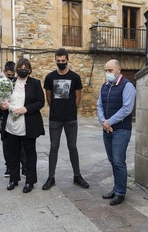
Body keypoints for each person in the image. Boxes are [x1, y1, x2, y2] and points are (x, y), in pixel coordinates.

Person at [42, 48, 89, 190]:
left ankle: (77, 176)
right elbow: (48, 97)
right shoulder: (50, 77)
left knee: (72, 147)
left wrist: (70, 110)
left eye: (63, 61)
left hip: (71, 119)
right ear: (55, 60)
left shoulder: (75, 77)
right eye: (58, 61)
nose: (61, 63)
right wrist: (56, 109)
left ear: (67, 60)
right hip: (55, 118)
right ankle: (51, 177)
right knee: (54, 147)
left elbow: (78, 97)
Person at [0, 58, 45, 193]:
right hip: (11, 124)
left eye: (25, 67)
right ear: (16, 69)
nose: (22, 70)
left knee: (30, 153)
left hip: (28, 123)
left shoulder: (35, 83)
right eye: (20, 67)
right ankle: (13, 179)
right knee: (13, 152)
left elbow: (40, 102)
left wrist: (26, 109)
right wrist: (2, 106)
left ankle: (30, 181)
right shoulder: (9, 84)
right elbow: (2, 101)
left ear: (29, 69)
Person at [96, 59, 136, 206]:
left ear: (118, 70)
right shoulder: (104, 86)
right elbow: (99, 105)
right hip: (107, 129)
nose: (108, 73)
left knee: (119, 161)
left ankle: (120, 192)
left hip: (121, 130)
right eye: (106, 71)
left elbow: (127, 108)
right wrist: (103, 122)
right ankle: (116, 188)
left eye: (110, 70)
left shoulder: (128, 86)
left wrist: (109, 122)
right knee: (113, 161)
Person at [0, 61, 27, 177]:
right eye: (8, 75)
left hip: (18, 115)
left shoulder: (18, 83)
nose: (10, 77)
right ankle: (9, 167)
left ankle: (24, 166)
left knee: (22, 144)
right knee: (7, 144)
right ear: (4, 72)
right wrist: (0, 105)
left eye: (12, 75)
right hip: (4, 117)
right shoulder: (0, 83)